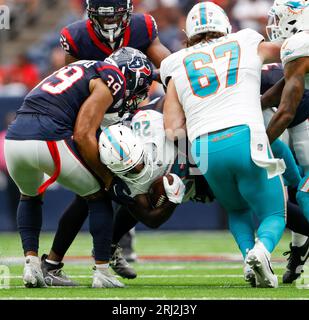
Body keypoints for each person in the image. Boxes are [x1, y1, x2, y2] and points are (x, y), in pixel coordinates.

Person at [4, 47, 153, 288]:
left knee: (29, 197)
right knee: (99, 195)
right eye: (140, 85)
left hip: (14, 141)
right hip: (48, 136)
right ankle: (103, 272)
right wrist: (107, 179)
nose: (138, 93)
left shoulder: (80, 68)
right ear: (130, 75)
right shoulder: (111, 77)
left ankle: (32, 266)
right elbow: (83, 135)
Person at [162, 2, 286, 288]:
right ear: (225, 25)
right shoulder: (246, 40)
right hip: (246, 134)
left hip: (205, 148)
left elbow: (172, 129)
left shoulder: (175, 62)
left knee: (237, 210)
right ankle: (261, 250)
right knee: (274, 212)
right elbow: (290, 52)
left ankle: (248, 258)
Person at [51, 0, 171, 267]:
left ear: (128, 12)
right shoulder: (77, 36)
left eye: (113, 16)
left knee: (136, 181)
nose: (108, 22)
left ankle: (112, 246)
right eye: (102, 17)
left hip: (131, 112)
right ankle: (91, 253)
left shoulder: (142, 26)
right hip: (96, 116)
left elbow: (171, 68)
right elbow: (74, 81)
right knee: (93, 191)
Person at [262, 0, 309, 283]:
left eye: (277, 19)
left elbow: (286, 111)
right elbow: (282, 88)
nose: (274, 25)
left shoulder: (300, 44)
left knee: (304, 193)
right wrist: (256, 104)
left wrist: (256, 144)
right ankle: (300, 249)